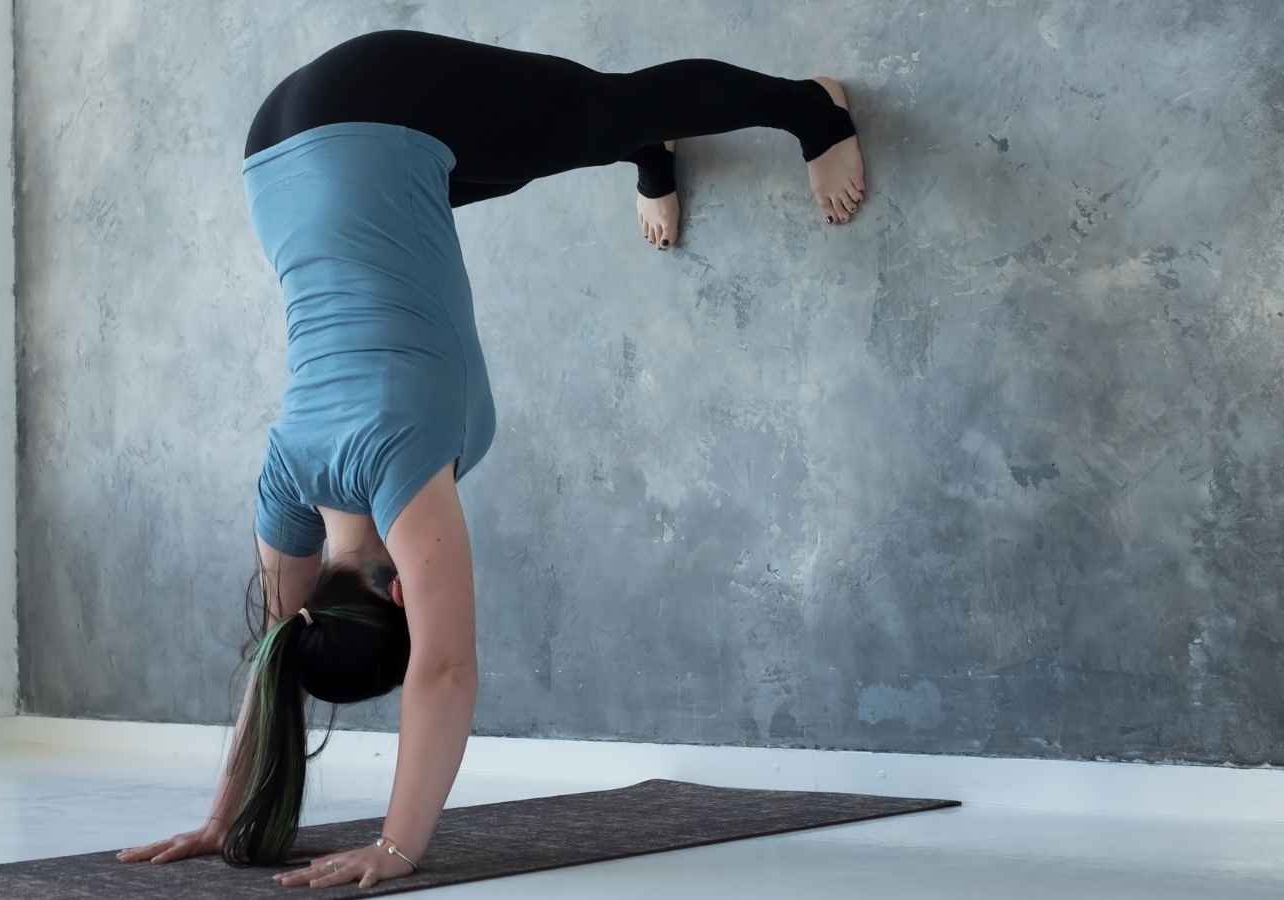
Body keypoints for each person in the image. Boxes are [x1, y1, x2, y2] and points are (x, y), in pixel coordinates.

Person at [116, 29, 865, 889]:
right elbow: (270, 657)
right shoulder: (287, 475)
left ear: (401, 593)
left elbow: (444, 668)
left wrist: (398, 849)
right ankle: (642, 153)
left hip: (380, 100)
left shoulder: (406, 475)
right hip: (276, 160)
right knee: (511, 150)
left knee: (599, 106)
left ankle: (809, 109)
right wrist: (224, 818)